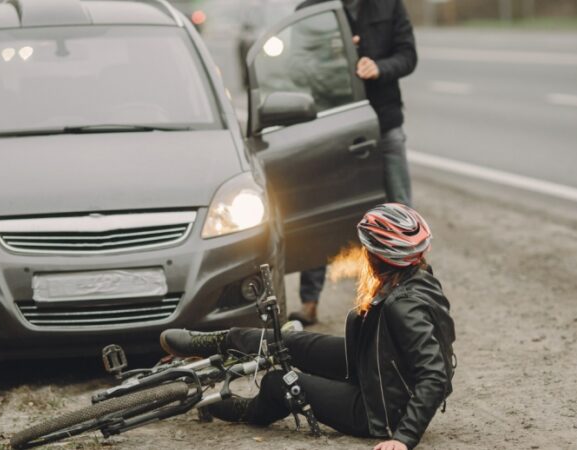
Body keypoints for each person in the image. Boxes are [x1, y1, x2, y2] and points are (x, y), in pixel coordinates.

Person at [161, 203, 455, 450]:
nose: (363, 254)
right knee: (287, 341)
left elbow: (435, 374)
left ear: (381, 256)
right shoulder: (413, 276)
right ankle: (212, 342)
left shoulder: (404, 305)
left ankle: (244, 409)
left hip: (377, 409)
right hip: (373, 368)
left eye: (366, 248)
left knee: (279, 382)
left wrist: (403, 438)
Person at [290, 0, 418, 325]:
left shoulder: (388, 6)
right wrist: (337, 56)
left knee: (400, 211)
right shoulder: (310, 10)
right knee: (318, 211)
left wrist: (379, 67)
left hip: (382, 123)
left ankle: (409, 296)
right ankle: (309, 302)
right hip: (327, 127)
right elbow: (297, 68)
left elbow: (408, 56)